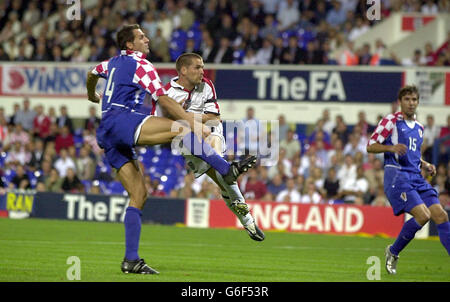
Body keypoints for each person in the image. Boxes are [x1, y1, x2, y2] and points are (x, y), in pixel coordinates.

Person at [86, 24, 257, 275]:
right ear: (130, 45)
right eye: (141, 37)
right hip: (122, 121)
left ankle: (131, 260)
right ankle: (226, 169)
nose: (147, 39)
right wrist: (190, 121)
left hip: (107, 131)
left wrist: (92, 95)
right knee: (182, 129)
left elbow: (92, 73)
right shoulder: (141, 65)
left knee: (139, 195)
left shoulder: (110, 63)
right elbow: (162, 99)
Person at [161, 52, 265, 241]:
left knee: (219, 167)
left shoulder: (207, 85)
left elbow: (215, 117)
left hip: (211, 132)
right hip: (187, 141)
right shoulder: (167, 92)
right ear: (183, 70)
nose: (203, 71)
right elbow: (161, 122)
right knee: (223, 179)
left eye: (203, 66)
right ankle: (247, 218)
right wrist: (186, 120)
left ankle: (246, 217)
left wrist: (186, 116)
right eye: (198, 67)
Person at [367, 85, 450, 275]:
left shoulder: (420, 128)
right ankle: (393, 252)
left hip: (416, 176)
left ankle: (394, 251)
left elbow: (411, 154)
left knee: (441, 216)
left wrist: (424, 164)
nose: (411, 103)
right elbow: (370, 146)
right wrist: (390, 148)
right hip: (397, 175)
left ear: (418, 102)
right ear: (400, 102)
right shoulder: (391, 121)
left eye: (414, 100)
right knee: (423, 216)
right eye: (407, 99)